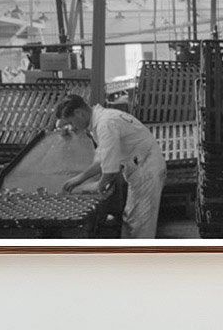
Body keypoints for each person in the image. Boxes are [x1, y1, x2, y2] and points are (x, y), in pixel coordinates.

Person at [55, 96, 166, 239]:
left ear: (79, 113)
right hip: (141, 168)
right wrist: (79, 179)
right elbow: (103, 159)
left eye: (70, 122)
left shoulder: (105, 124)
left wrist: (96, 186)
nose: (71, 127)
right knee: (132, 221)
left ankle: (140, 259)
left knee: (139, 226)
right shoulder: (102, 121)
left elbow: (110, 170)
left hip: (146, 170)